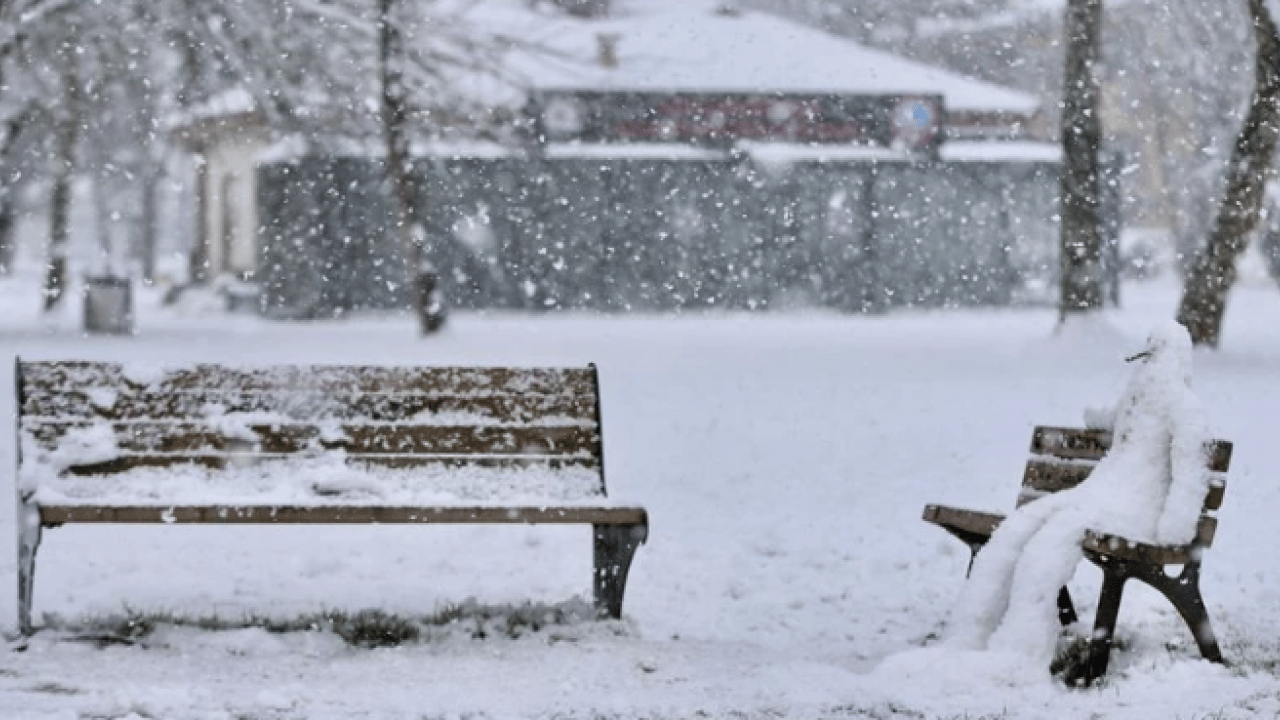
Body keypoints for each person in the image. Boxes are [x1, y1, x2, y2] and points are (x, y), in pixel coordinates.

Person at [943, 319, 1210, 668]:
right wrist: (1097, 417)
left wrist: (1175, 530)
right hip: (1098, 492)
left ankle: (1019, 652)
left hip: (1134, 511)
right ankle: (968, 635)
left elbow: (1191, 475)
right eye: (1147, 356)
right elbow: (1113, 421)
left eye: (1155, 355)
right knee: (1016, 530)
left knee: (1051, 543)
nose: (1148, 365)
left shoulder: (1184, 408)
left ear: (1174, 359)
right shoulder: (1138, 396)